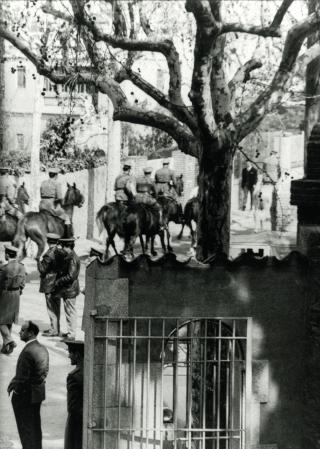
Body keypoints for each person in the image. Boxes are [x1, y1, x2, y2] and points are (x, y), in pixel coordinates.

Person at [7, 320, 49, 449]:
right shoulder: (42, 348)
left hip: (25, 397)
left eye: (23, 330)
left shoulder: (27, 352)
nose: (19, 332)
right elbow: (43, 371)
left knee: (25, 430)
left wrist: (17, 391)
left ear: (30, 333)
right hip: (37, 394)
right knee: (35, 427)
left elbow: (23, 377)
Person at [0, 244, 26, 355]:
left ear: (7, 254)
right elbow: (23, 284)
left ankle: (9, 340)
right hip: (16, 295)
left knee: (1, 320)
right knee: (9, 320)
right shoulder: (22, 267)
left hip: (5, 295)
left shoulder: (4, 268)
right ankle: (6, 347)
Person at [54, 238, 80, 341]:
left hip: (70, 289)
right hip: (69, 289)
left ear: (67, 246)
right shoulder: (70, 255)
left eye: (63, 247)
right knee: (69, 312)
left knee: (71, 312)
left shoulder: (72, 258)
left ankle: (72, 334)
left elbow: (71, 276)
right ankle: (70, 332)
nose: (62, 249)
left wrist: (59, 281)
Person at [37, 233, 63, 337]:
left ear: (48, 242)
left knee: (51, 308)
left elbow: (42, 269)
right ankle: (56, 328)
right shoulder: (60, 252)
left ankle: (54, 330)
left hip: (49, 283)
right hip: (57, 283)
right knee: (57, 307)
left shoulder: (49, 254)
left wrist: (38, 261)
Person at [39, 168, 73, 237]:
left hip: (41, 205)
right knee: (66, 217)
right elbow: (59, 198)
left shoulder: (43, 183)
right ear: (56, 175)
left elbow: (41, 194)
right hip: (50, 206)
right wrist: (62, 203)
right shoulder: (57, 184)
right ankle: (67, 238)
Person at [64, 340, 84, 449]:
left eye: (70, 353)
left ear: (77, 355)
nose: (68, 356)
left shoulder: (74, 376)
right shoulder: (90, 370)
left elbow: (72, 407)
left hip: (76, 424)